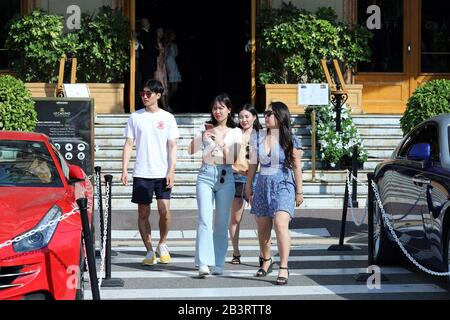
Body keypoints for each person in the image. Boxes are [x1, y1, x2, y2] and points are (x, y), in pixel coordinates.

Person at [121, 79, 179, 266]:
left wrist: (171, 171)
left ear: (158, 95)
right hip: (142, 172)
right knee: (143, 213)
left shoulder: (168, 118)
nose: (144, 97)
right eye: (142, 93)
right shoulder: (135, 117)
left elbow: (172, 146)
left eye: (148, 94)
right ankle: (148, 250)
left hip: (162, 172)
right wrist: (124, 169)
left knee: (165, 211)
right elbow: (129, 144)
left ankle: (162, 243)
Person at [245, 101, 304, 285]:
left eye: (269, 113)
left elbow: (296, 166)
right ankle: (267, 260)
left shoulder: (290, 139)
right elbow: (253, 164)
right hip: (263, 183)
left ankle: (284, 267)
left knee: (280, 224)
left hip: (283, 183)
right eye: (265, 112)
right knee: (263, 227)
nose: (266, 116)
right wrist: (249, 186)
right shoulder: (257, 137)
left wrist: (299, 192)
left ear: (280, 115)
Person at [188, 93, 242, 277]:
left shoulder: (236, 132)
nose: (217, 111)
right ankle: (203, 262)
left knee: (220, 222)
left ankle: (218, 262)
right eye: (214, 108)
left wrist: (220, 142)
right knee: (204, 220)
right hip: (205, 175)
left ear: (229, 109)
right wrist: (201, 136)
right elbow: (190, 150)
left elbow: (233, 158)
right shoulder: (205, 128)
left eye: (221, 108)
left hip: (226, 177)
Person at [228, 104, 263, 265]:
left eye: (246, 116)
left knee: (260, 219)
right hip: (236, 177)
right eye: (241, 117)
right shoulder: (234, 133)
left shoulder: (261, 135)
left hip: (256, 179)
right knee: (235, 218)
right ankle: (236, 252)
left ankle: (264, 253)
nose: (243, 120)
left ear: (254, 117)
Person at [164, 29, 182, 109]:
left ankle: (168, 101)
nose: (174, 36)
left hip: (173, 63)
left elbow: (175, 54)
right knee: (168, 86)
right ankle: (167, 104)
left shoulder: (174, 45)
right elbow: (164, 56)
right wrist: (166, 67)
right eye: (173, 35)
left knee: (175, 88)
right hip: (168, 64)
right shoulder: (166, 44)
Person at [137, 18, 158, 87]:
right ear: (145, 24)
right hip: (148, 64)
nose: (149, 24)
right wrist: (157, 51)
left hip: (146, 64)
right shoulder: (144, 34)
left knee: (146, 82)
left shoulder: (143, 34)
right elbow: (150, 49)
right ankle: (146, 97)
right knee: (147, 83)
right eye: (148, 22)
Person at [153, 27, 169, 109]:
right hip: (157, 66)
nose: (161, 33)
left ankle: (166, 105)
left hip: (162, 66)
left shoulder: (162, 42)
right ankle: (164, 106)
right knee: (160, 85)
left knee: (165, 85)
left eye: (162, 31)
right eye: (159, 31)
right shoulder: (154, 42)